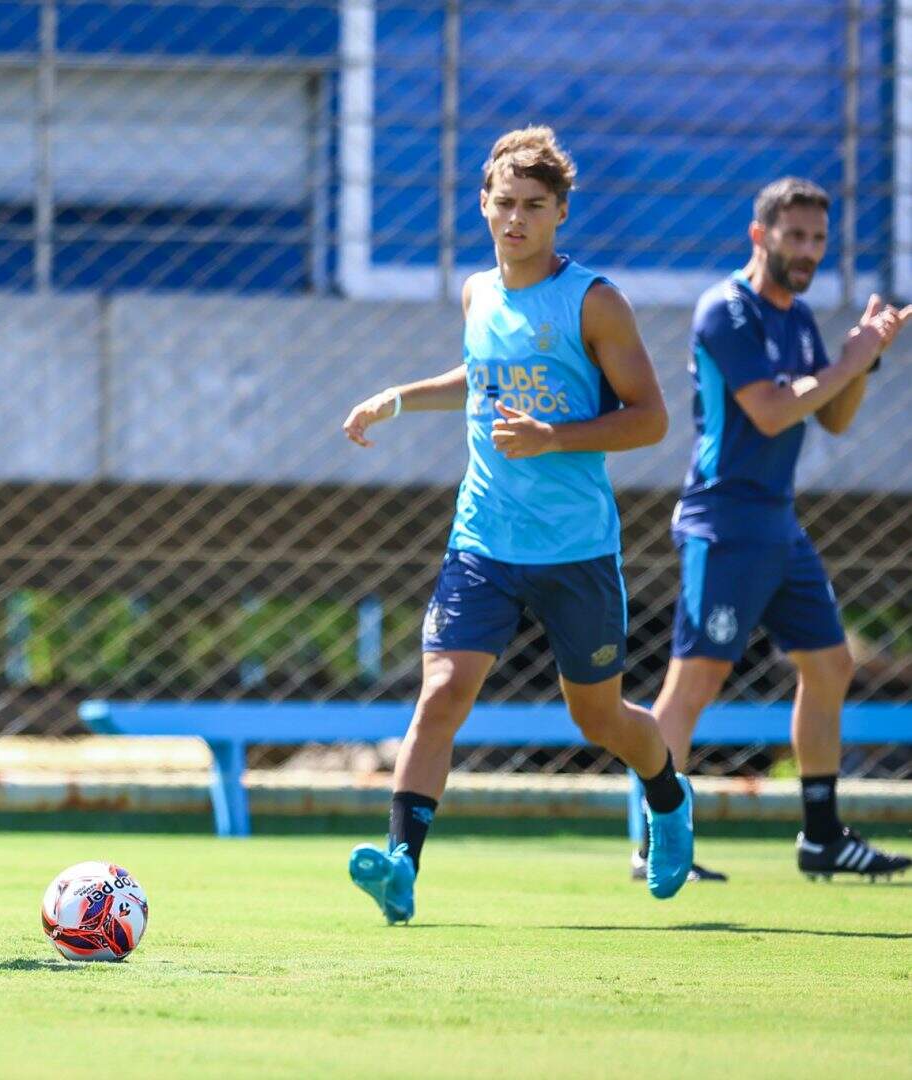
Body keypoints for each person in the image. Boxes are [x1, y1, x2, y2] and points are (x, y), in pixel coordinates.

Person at [340, 127, 694, 924]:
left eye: (534, 206)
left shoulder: (595, 302)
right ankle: (400, 866)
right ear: (483, 204)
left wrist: (553, 437)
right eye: (504, 203)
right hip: (483, 542)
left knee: (598, 717)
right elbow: (481, 377)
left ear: (561, 212)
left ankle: (668, 799)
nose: (516, 219)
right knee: (441, 691)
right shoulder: (478, 293)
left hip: (575, 550)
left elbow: (650, 419)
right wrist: (396, 399)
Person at [627, 178, 912, 883]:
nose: (809, 251)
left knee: (830, 664)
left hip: (777, 523)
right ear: (760, 236)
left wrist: (865, 357)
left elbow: (833, 417)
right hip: (723, 523)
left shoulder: (800, 319)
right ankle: (651, 845)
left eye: (819, 239)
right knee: (694, 683)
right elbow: (771, 411)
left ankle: (822, 837)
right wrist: (847, 363)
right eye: (796, 236)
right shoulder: (726, 310)